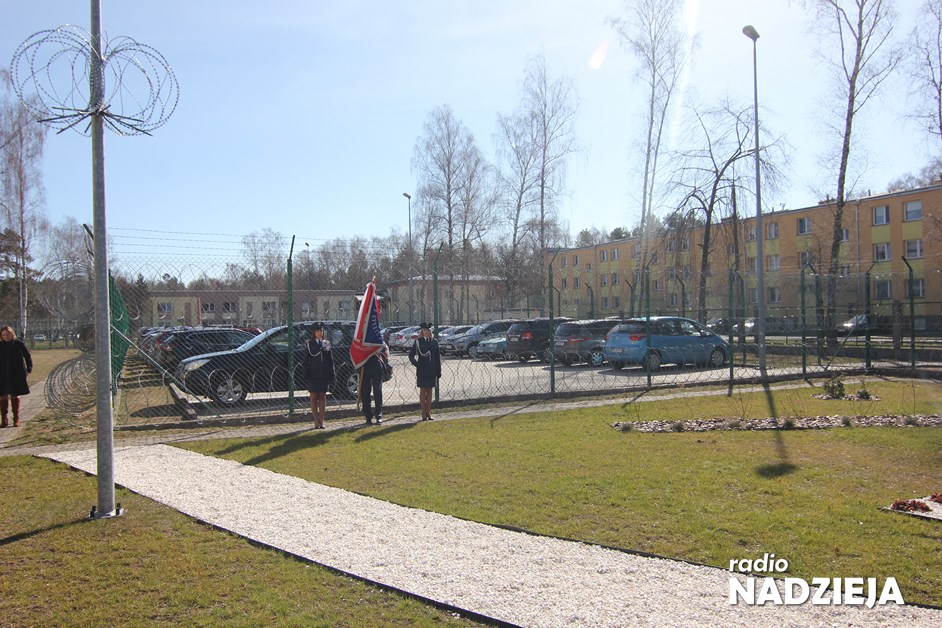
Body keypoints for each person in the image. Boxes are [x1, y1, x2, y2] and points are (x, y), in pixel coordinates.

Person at [302, 322, 334, 429]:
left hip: (323, 374)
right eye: (317, 331)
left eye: (321, 331)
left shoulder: (326, 343)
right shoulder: (309, 344)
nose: (320, 333)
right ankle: (316, 420)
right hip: (313, 375)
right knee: (313, 397)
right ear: (314, 332)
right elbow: (305, 361)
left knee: (322, 397)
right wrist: (306, 373)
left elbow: (330, 360)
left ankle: (322, 420)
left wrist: (331, 373)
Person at [0, 325, 32, 428]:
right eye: (4, 335)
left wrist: (29, 369)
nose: (6, 336)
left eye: (7, 334)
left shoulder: (18, 344)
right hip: (2, 374)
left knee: (15, 394)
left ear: (11, 334)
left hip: (16, 373)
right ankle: (4, 419)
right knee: (2, 395)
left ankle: (16, 419)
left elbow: (27, 356)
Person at [409, 322, 441, 421]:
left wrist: (438, 370)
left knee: (430, 391)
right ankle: (423, 412)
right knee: (423, 391)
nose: (427, 331)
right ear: (422, 331)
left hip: (432, 370)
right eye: (425, 330)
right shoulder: (418, 342)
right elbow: (411, 355)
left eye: (428, 330)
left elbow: (437, 358)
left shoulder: (434, 342)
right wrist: (416, 363)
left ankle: (428, 412)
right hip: (422, 370)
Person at [359, 346, 389, 425]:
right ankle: (368, 417)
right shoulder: (360, 338)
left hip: (376, 365)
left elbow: (384, 348)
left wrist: (382, 353)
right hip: (364, 365)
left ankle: (378, 416)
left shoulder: (376, 337)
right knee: (365, 392)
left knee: (377, 392)